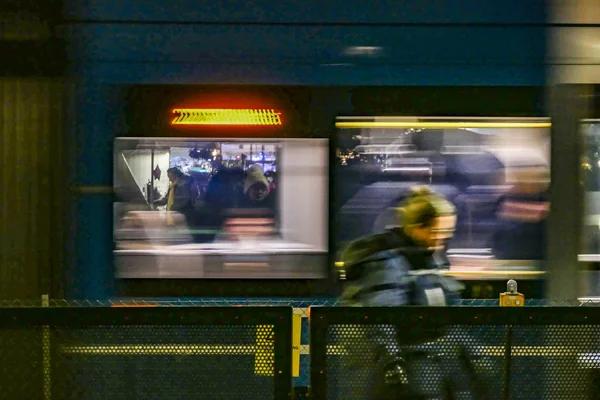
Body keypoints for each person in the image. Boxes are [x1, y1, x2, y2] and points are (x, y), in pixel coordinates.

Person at [338, 186, 492, 400]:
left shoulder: (429, 259)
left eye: (447, 234)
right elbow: (379, 318)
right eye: (437, 233)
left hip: (430, 371)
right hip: (407, 376)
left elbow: (447, 320)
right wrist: (393, 365)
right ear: (417, 228)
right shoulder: (385, 262)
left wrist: (471, 354)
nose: (442, 240)